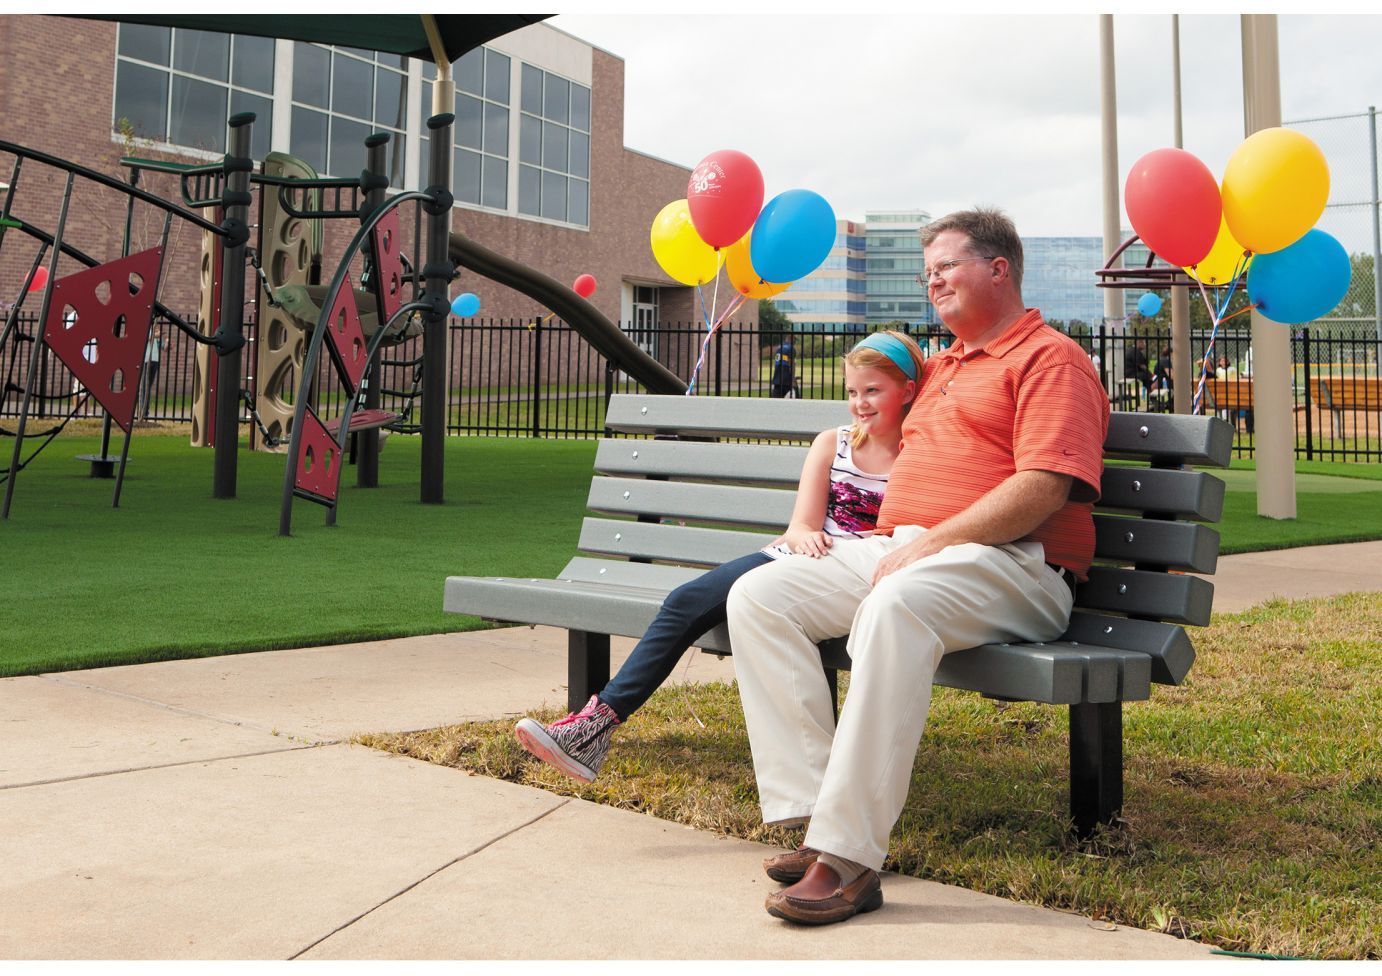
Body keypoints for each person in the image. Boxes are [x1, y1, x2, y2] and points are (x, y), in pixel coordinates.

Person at [726, 208, 1109, 926]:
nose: (931, 280)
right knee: (759, 594)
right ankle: (816, 819)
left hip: (1015, 562)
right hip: (908, 549)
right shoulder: (942, 365)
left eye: (947, 267)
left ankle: (848, 859)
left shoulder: (1050, 359)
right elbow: (875, 388)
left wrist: (932, 542)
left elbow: (1042, 488)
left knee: (895, 604)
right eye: (925, 270)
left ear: (999, 269)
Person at [513, 330, 927, 783]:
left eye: (873, 390)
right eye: (852, 391)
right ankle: (593, 728)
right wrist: (805, 536)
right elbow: (801, 525)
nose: (860, 403)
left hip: (857, 577)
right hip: (799, 560)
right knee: (685, 600)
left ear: (907, 390)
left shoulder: (925, 454)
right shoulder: (834, 443)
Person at [138, 325, 163, 420]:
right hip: (146, 360)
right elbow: (147, 338)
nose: (157, 329)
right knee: (144, 385)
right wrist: (156, 334)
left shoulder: (156, 336)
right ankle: (143, 411)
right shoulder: (146, 327)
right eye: (156, 328)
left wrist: (167, 343)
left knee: (148, 386)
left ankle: (145, 411)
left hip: (155, 360)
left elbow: (163, 347)